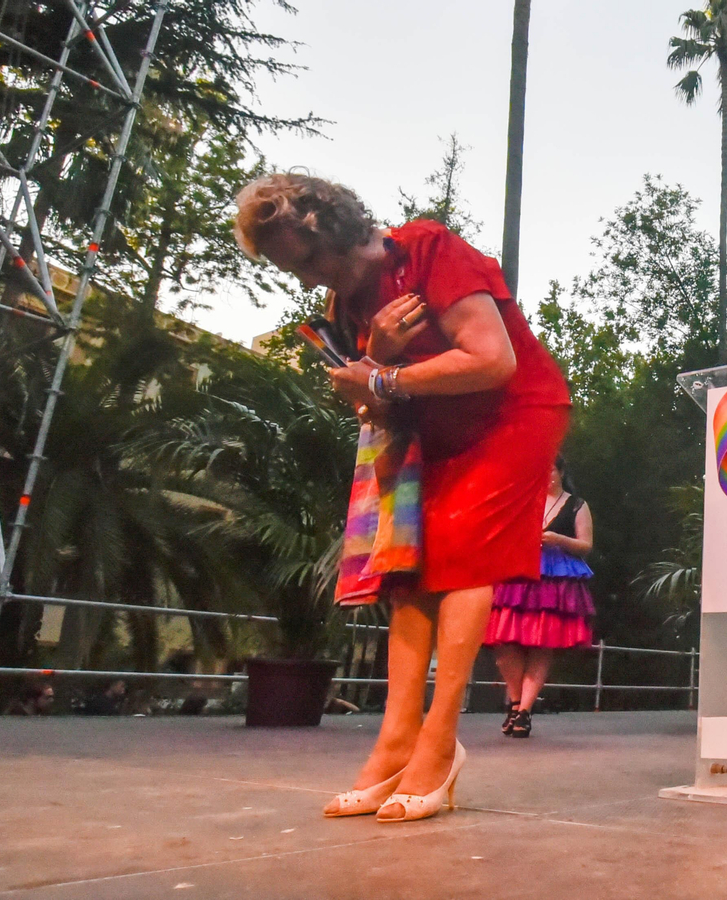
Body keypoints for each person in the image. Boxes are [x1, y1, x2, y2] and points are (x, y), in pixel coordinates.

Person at [235, 173, 571, 821]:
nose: (304, 280)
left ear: (329, 230)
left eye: (304, 261)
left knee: (467, 558)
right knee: (408, 575)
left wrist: (383, 373)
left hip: (515, 414)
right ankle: (394, 742)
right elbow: (366, 397)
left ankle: (440, 745)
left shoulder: (428, 251)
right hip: (433, 435)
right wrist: (377, 360)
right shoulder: (341, 308)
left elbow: (492, 360)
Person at [486, 454, 595, 738]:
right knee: (505, 641)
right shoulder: (523, 499)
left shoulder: (576, 505)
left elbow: (586, 545)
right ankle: (514, 701)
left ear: (560, 472)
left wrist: (558, 539)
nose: (546, 476)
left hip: (555, 578)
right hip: (518, 575)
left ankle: (524, 711)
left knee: (542, 643)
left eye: (550, 471)